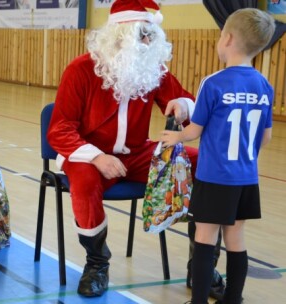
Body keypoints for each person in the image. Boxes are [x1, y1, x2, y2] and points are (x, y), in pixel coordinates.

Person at [47, 0, 222, 298]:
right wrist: (97, 157)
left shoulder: (152, 69)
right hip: (87, 154)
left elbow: (184, 99)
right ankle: (97, 263)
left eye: (151, 36)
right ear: (120, 34)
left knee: (201, 163)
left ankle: (201, 265)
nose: (147, 42)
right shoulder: (81, 69)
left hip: (138, 153)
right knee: (86, 182)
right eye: (142, 34)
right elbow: (60, 129)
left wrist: (184, 105)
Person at [161, 8, 275, 304]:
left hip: (214, 177)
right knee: (236, 239)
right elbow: (266, 137)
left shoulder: (213, 83)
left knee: (205, 237)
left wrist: (176, 136)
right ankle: (233, 299)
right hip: (246, 178)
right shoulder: (265, 86)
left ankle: (198, 301)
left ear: (227, 38)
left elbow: (194, 130)